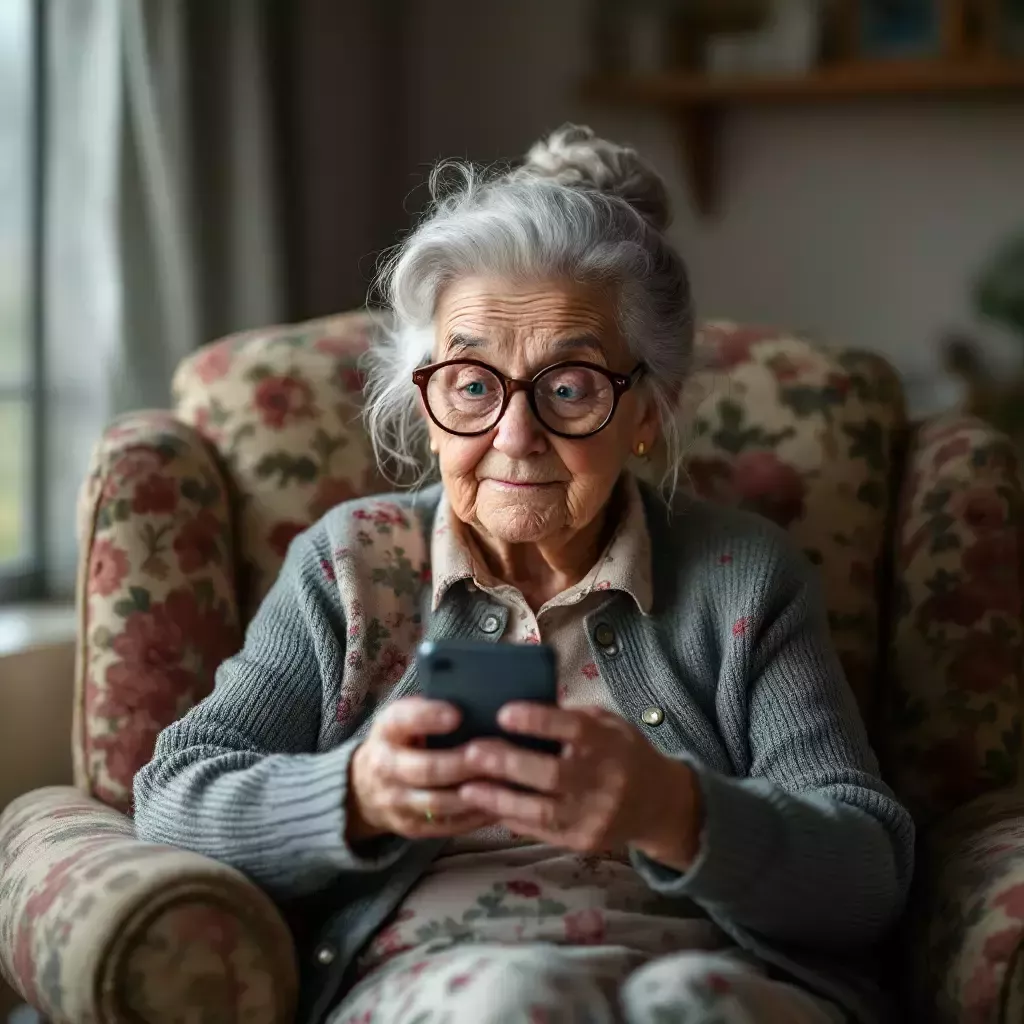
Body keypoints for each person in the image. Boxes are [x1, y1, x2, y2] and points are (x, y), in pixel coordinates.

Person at [134, 125, 914, 1024]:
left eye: (571, 386)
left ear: (648, 412)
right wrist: (356, 794)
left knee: (693, 1006)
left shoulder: (742, 577)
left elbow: (869, 871)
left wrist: (674, 807)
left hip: (705, 976)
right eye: (471, 384)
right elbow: (174, 797)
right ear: (423, 403)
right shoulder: (350, 566)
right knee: (516, 999)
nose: (514, 436)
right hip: (444, 983)